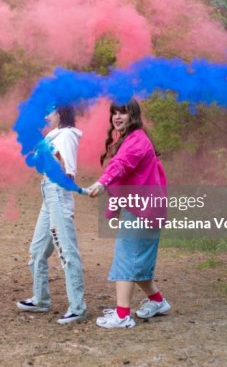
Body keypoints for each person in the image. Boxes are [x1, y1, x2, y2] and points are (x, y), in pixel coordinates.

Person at [85, 99, 171, 328]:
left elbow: (120, 165)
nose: (117, 116)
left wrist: (102, 183)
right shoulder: (132, 139)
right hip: (145, 208)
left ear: (133, 115)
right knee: (138, 262)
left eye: (123, 112)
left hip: (144, 210)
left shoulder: (137, 141)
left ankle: (123, 315)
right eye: (114, 112)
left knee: (126, 260)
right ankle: (158, 302)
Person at [16, 105, 88, 324]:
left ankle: (78, 307)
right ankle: (41, 299)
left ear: (61, 112)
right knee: (37, 251)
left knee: (66, 251)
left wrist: (76, 188)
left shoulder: (66, 135)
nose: (46, 116)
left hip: (57, 193)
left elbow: (68, 169)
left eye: (50, 111)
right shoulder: (55, 135)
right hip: (48, 193)